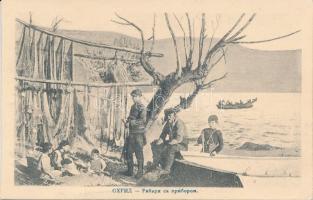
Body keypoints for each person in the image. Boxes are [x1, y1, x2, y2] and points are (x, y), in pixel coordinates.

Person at [151, 108, 188, 175]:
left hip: (182, 145)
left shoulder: (179, 123)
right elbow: (163, 135)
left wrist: (168, 144)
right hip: (173, 142)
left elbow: (178, 138)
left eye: (170, 115)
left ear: (174, 115)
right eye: (167, 115)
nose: (168, 117)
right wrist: (158, 142)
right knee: (154, 144)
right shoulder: (168, 123)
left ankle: (167, 169)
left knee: (170, 148)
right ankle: (156, 165)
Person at [123, 88, 147, 179]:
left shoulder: (142, 108)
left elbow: (143, 120)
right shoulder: (133, 107)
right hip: (132, 133)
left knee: (139, 153)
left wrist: (131, 123)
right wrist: (127, 122)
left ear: (140, 97)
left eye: (135, 96)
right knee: (129, 152)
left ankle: (140, 172)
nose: (133, 98)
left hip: (139, 134)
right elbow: (130, 117)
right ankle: (130, 171)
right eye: (132, 96)